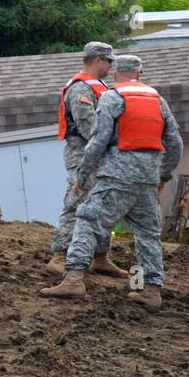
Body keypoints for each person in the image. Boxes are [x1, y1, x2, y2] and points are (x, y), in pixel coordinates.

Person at [44, 54, 182, 310]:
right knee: (148, 234)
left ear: (116, 73)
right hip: (147, 178)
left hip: (117, 176)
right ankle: (151, 291)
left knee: (87, 219)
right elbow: (175, 142)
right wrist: (163, 174)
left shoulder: (112, 97)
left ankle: (74, 279)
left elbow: (97, 141)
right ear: (139, 74)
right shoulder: (157, 99)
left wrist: (83, 176)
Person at [48, 42, 128, 279]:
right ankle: (60, 255)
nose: (112, 65)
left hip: (100, 154)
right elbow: (89, 128)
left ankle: (100, 257)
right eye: (109, 61)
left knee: (102, 203)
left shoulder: (100, 87)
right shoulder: (81, 89)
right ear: (97, 60)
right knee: (77, 200)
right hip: (82, 154)